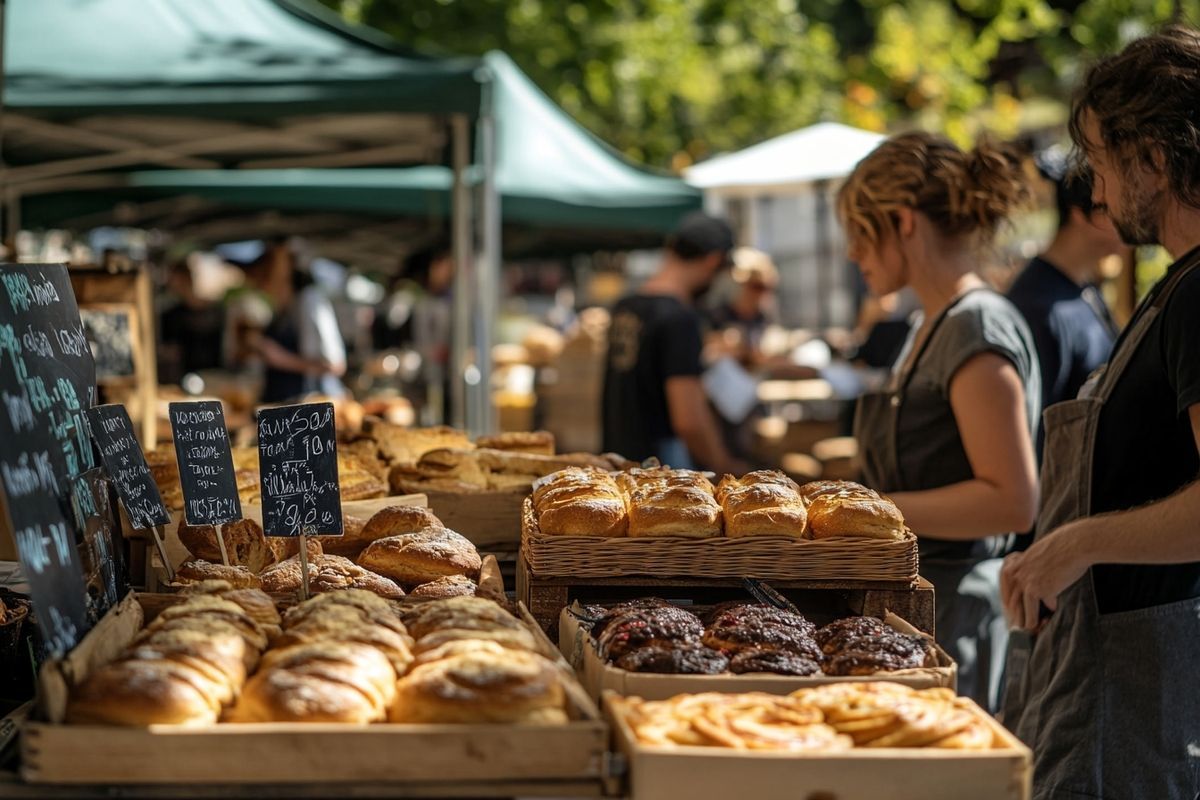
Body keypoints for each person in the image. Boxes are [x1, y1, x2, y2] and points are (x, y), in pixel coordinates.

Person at [1000, 27, 1200, 799]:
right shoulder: (1174, 288)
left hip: (1144, 703)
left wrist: (1073, 544)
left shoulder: (1198, 298)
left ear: (1155, 155)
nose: (1095, 185)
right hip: (1115, 685)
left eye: (1102, 158)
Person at [838, 132, 1040, 710]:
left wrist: (869, 511)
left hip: (956, 617)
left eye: (860, 231)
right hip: (921, 609)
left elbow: (1010, 500)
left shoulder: (973, 326)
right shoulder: (929, 324)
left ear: (903, 222)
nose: (853, 253)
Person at [602, 212, 749, 474]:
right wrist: (723, 465)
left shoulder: (625, 307)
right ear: (712, 261)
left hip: (618, 461)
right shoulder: (679, 319)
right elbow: (688, 420)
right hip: (660, 470)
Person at [1006, 149, 1124, 460]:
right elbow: (1036, 431)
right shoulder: (1039, 307)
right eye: (1109, 208)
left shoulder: (1082, 288)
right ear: (1079, 214)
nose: (1126, 217)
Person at [706, 247, 779, 366]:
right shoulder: (718, 316)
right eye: (756, 287)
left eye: (767, 288)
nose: (762, 294)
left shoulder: (763, 318)